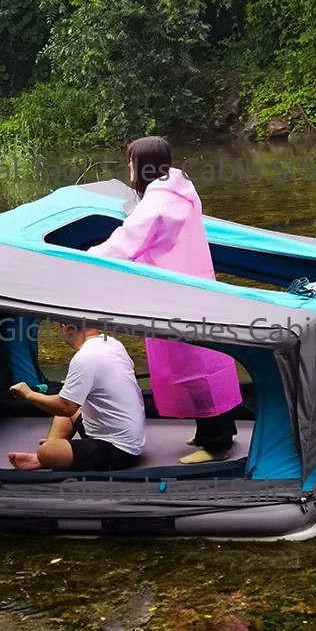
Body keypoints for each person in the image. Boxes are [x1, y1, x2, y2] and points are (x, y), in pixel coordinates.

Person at [87, 136, 242, 464]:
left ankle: (217, 444)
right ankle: (210, 431)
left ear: (141, 166)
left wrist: (86, 258)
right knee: (200, 363)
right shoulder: (178, 187)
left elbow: (126, 241)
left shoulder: (159, 204)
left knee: (196, 365)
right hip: (192, 286)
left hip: (178, 295)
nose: (128, 168)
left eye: (130, 162)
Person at [7, 323, 146, 471]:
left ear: (64, 327)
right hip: (130, 437)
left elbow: (65, 407)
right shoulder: (112, 342)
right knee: (66, 406)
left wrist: (29, 394)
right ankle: (53, 449)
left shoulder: (84, 358)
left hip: (119, 449)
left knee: (47, 450)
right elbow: (133, 371)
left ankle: (47, 456)